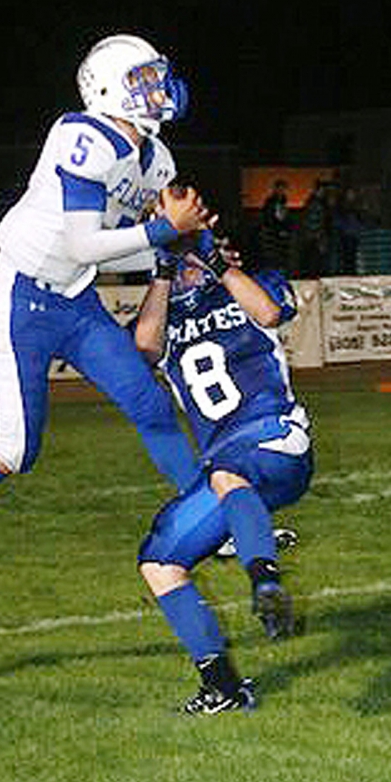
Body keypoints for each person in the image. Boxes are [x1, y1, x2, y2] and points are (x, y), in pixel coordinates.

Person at [0, 33, 210, 627]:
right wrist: (162, 234)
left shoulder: (157, 158)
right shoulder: (82, 135)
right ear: (108, 89)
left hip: (73, 297)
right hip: (20, 297)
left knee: (149, 402)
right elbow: (82, 241)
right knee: (16, 450)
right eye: (144, 79)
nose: (159, 89)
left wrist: (175, 239)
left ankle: (209, 516)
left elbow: (115, 245)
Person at [133, 212, 313, 715]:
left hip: (276, 439)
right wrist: (163, 271)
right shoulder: (165, 314)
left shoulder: (244, 287)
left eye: (199, 253)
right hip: (228, 473)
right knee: (158, 560)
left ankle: (265, 581)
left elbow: (273, 312)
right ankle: (224, 686)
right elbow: (144, 346)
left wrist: (215, 262)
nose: (192, 264)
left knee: (226, 471)